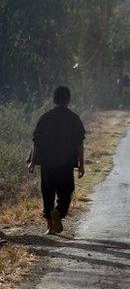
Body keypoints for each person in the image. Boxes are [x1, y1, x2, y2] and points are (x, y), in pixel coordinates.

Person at [28, 86, 85, 235]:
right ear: (68, 99)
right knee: (66, 193)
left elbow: (36, 142)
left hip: (47, 164)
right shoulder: (74, 119)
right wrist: (81, 165)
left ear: (54, 99)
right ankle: (59, 213)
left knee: (48, 193)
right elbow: (79, 144)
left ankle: (50, 227)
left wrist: (32, 162)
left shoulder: (45, 118)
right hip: (65, 164)